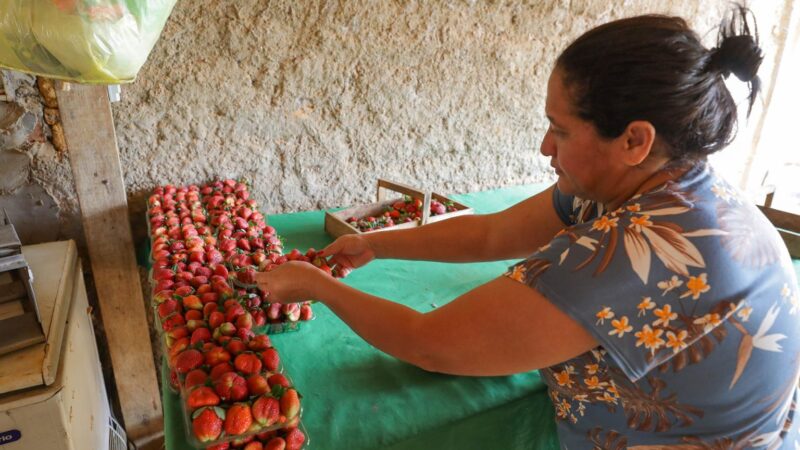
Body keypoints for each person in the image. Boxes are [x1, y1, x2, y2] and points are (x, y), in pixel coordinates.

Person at [256, 6, 800, 448]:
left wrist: (317, 286)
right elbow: (493, 233)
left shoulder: (641, 250)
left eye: (560, 130)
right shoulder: (665, 179)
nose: (545, 148)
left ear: (634, 140)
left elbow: (431, 344)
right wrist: (376, 244)